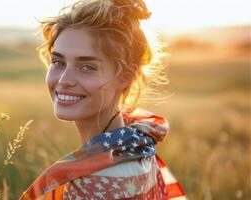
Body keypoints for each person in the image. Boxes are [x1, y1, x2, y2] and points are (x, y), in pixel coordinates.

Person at [20, 0, 186, 199]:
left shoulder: (90, 187)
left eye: (87, 67)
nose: (64, 80)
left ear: (126, 76)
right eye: (58, 62)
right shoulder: (137, 144)